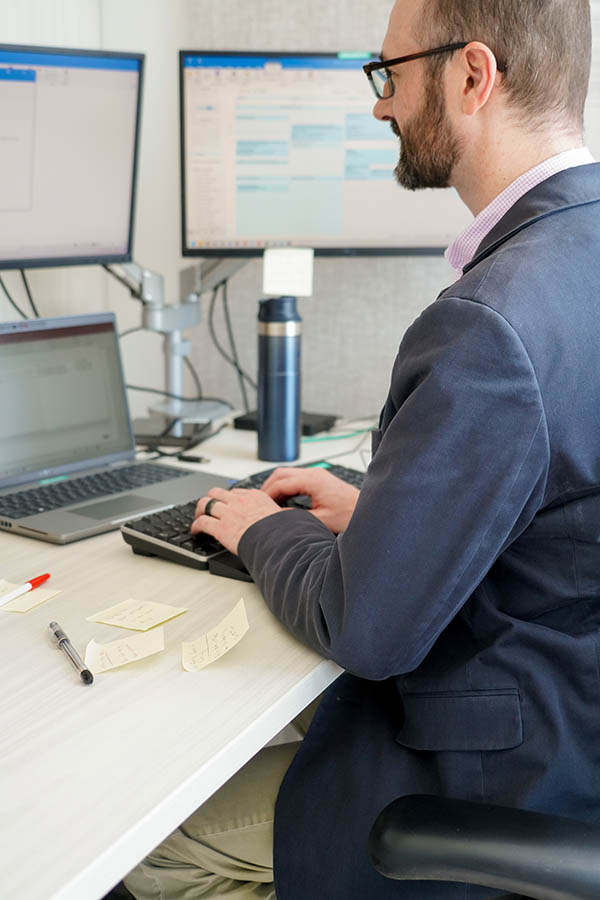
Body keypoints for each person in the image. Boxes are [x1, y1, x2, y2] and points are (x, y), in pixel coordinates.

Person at [124, 0, 600, 898]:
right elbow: (560, 521)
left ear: (472, 75)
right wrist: (384, 517)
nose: (380, 105)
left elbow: (367, 629)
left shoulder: (490, 324)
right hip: (576, 718)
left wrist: (261, 527)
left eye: (390, 73)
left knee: (147, 846)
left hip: (504, 781)